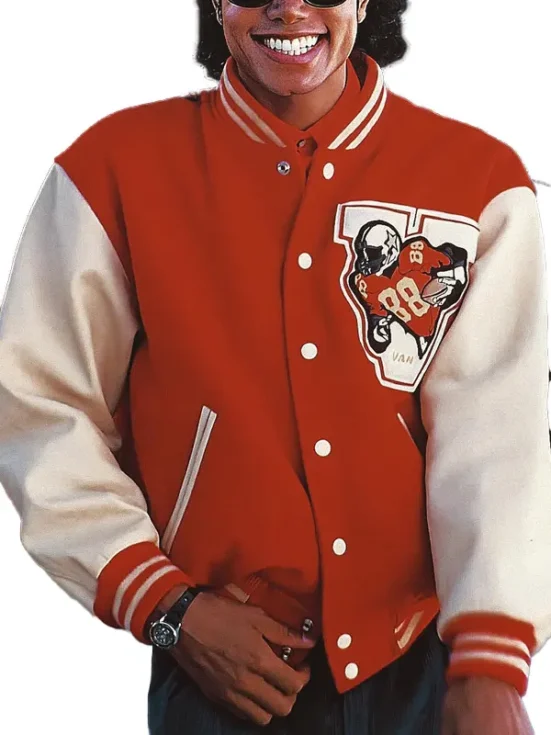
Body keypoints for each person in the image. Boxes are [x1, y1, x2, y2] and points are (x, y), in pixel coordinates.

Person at [0, 0, 549, 733]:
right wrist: (168, 606)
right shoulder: (114, 169)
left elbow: (502, 433)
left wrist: (490, 659)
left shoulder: (478, 179)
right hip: (217, 665)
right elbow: (39, 405)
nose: (289, 6)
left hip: (425, 662)